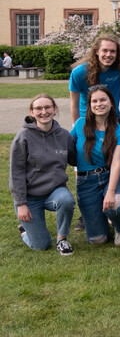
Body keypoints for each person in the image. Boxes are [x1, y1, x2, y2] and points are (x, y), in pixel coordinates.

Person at [10, 94, 77, 255]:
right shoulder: (23, 137)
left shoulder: (64, 135)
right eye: (38, 108)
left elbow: (76, 160)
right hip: (30, 197)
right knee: (41, 245)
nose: (43, 112)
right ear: (31, 112)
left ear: (55, 110)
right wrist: (21, 204)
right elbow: (16, 173)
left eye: (47, 107)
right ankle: (25, 231)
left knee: (67, 200)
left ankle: (62, 239)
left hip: (55, 191)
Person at [70, 85, 120, 246]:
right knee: (98, 240)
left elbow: (117, 163)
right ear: (89, 105)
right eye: (94, 101)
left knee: (116, 204)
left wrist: (110, 191)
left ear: (111, 102)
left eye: (103, 100)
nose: (99, 104)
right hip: (86, 181)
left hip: (111, 175)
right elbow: (66, 148)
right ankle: (103, 220)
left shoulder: (119, 130)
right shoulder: (80, 124)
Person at [69, 34, 120, 123]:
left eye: (112, 51)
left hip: (112, 121)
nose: (108, 55)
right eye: (104, 51)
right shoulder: (79, 73)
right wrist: (76, 126)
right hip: (87, 121)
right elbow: (74, 105)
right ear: (97, 51)